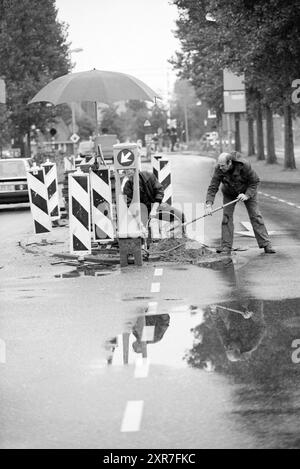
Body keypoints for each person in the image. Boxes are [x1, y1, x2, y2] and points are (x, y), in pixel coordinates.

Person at [205, 152, 276, 254]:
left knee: (255, 215)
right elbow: (213, 187)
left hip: (247, 191)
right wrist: (209, 204)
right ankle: (226, 246)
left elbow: (255, 181)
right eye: (219, 165)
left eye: (223, 166)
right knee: (226, 217)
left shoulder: (244, 165)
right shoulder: (219, 169)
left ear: (230, 162)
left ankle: (266, 244)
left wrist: (246, 195)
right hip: (229, 193)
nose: (220, 168)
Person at [123, 170, 185, 234]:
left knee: (180, 216)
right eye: (126, 171)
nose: (129, 172)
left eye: (131, 169)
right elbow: (131, 206)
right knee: (143, 232)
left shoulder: (148, 176)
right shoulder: (127, 187)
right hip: (141, 212)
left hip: (156, 205)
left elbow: (159, 191)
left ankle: (178, 238)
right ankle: (149, 241)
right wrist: (140, 224)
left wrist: (154, 209)